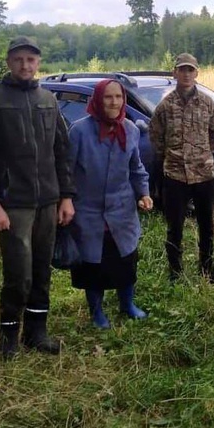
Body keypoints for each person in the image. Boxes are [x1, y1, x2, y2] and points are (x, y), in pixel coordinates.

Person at [0, 36, 75, 359]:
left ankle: (36, 333)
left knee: (42, 272)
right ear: (9, 63)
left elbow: (62, 152)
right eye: (19, 59)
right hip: (13, 205)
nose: (25, 65)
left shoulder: (48, 100)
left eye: (31, 59)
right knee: (18, 275)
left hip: (48, 203)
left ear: (38, 63)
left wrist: (66, 196)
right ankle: (8, 337)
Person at [67, 79, 153, 329]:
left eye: (118, 97)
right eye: (108, 97)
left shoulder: (131, 129)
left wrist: (143, 193)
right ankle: (97, 313)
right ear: (97, 100)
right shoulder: (79, 131)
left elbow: (136, 167)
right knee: (93, 265)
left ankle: (128, 305)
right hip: (88, 212)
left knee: (125, 260)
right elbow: (67, 172)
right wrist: (65, 202)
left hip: (122, 211)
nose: (114, 102)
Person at [150, 53, 214, 284]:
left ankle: (206, 267)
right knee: (175, 226)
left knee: (206, 224)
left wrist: (201, 154)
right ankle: (175, 271)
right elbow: (156, 137)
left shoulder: (207, 103)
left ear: (197, 73)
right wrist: (173, 156)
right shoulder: (165, 106)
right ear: (175, 72)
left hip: (203, 174)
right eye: (182, 69)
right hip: (175, 175)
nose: (186, 74)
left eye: (190, 70)